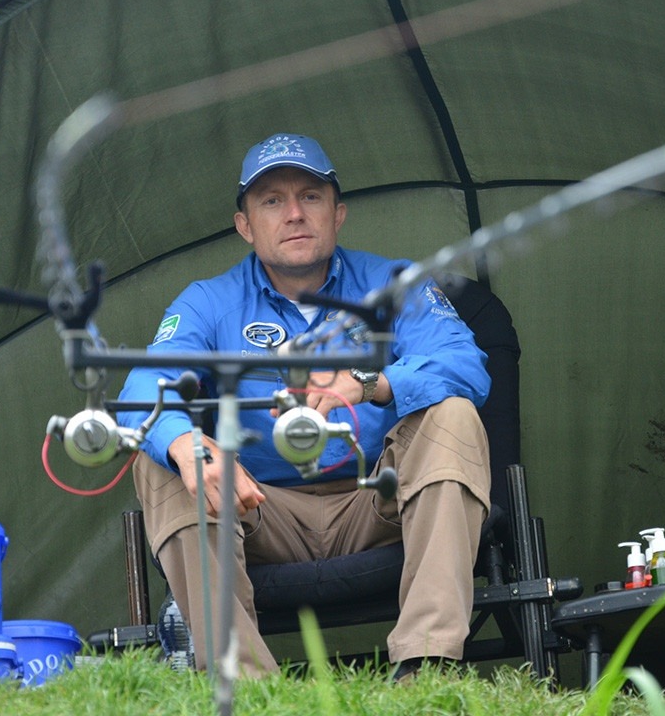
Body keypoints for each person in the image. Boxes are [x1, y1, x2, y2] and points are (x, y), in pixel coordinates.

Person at [117, 133, 492, 680]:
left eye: (310, 197)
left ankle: (426, 668)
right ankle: (245, 687)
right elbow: (143, 387)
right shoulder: (208, 302)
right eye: (272, 201)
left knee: (454, 413)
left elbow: (467, 364)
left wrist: (371, 381)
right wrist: (184, 442)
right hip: (261, 511)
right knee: (166, 457)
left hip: (376, 502)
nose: (294, 214)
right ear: (244, 225)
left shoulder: (392, 282)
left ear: (338, 213)